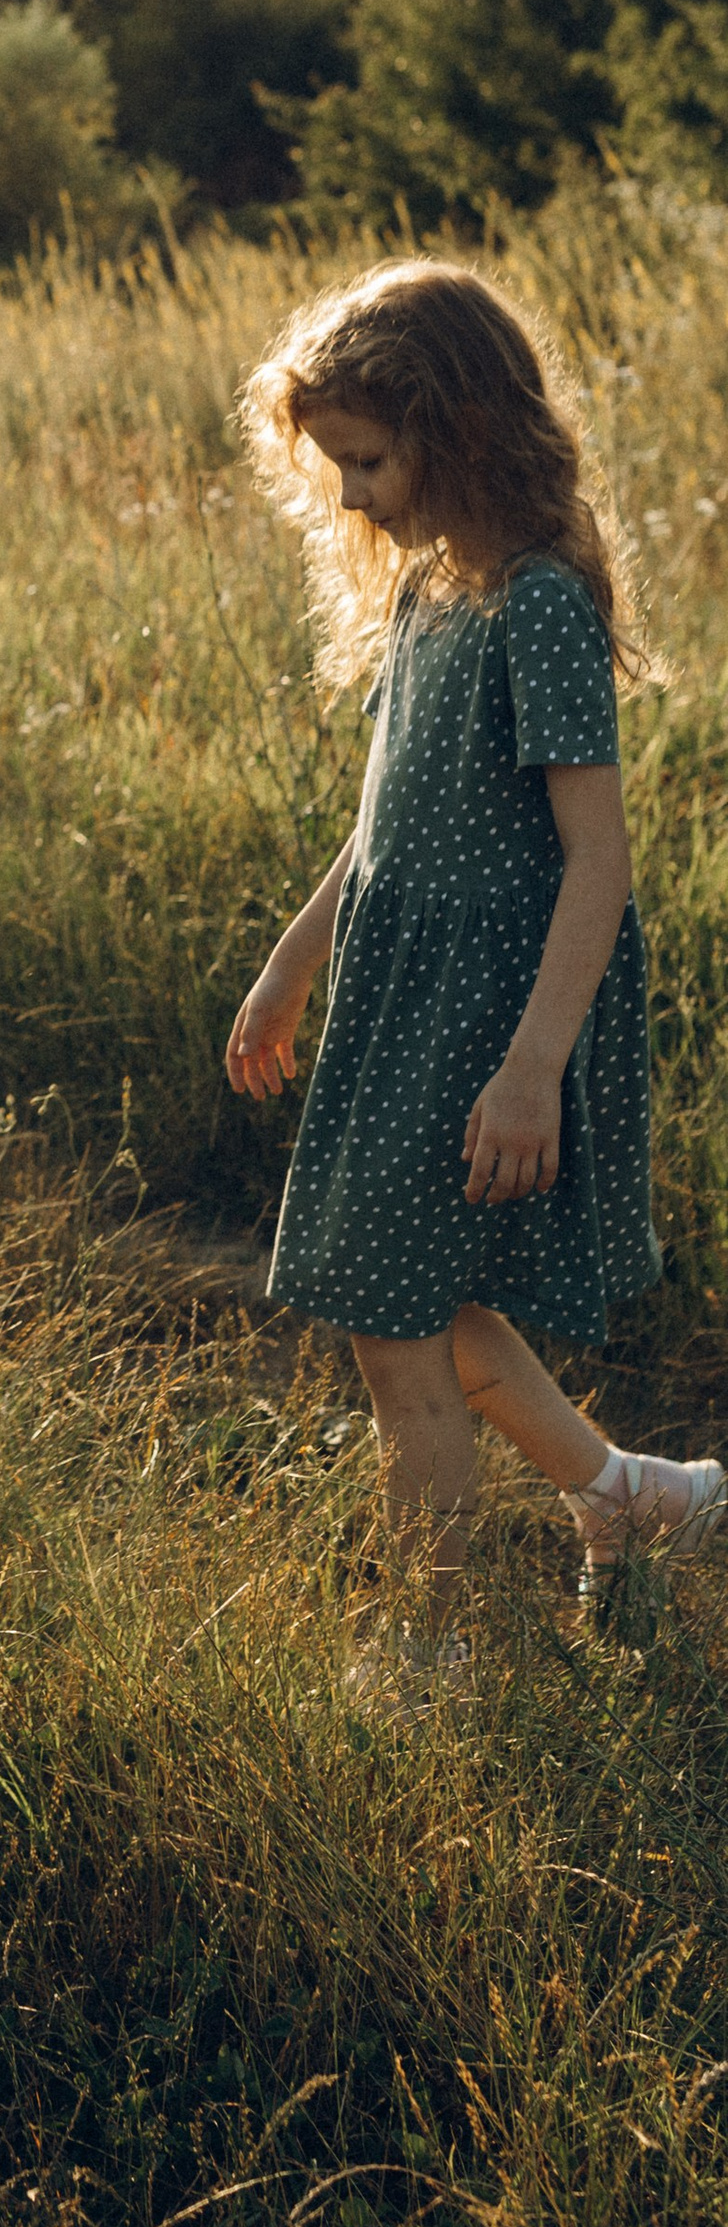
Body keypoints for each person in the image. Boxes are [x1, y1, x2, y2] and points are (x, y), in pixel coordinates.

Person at [226, 258, 716, 1706]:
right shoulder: (432, 593)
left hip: (489, 1015)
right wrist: (286, 966)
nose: (353, 496)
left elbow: (598, 860)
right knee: (418, 1304)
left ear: (460, 429)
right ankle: (629, 1492)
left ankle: (430, 1643)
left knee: (398, 1334)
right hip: (398, 994)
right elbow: (384, 826)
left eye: (370, 462)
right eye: (338, 469)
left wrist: (532, 1063)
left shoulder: (539, 606)